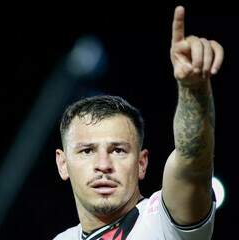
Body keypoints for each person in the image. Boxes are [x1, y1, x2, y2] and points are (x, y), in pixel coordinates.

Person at [53, 5, 224, 240]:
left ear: (142, 163)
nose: (103, 164)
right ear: (62, 164)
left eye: (118, 150)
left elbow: (193, 160)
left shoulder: (162, 221)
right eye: (87, 150)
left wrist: (192, 89)